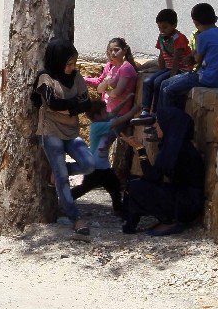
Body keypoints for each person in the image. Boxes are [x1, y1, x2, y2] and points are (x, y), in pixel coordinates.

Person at [31, 37, 96, 236]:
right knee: (62, 179)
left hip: (71, 131)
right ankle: (75, 217)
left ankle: (59, 173)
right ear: (58, 61)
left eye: (73, 63)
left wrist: (69, 107)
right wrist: (73, 105)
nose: (71, 67)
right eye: (68, 63)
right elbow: (52, 104)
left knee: (89, 164)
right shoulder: (45, 78)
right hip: (51, 131)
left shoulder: (76, 77)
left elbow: (86, 103)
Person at [119, 107, 206, 236]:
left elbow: (152, 177)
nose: (155, 125)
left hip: (187, 203)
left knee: (135, 186)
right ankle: (129, 223)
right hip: (183, 197)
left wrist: (140, 148)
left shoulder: (176, 150)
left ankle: (170, 220)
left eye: (158, 122)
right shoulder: (176, 146)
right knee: (133, 181)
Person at [158, 3, 218, 111]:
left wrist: (190, 57)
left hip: (206, 78)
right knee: (170, 83)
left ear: (195, 21)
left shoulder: (203, 36)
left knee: (166, 88)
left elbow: (197, 60)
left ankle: (168, 120)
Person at [70, 98, 136, 216]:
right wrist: (136, 109)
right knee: (86, 188)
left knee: (114, 186)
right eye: (104, 111)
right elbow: (119, 120)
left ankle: (118, 209)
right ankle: (66, 199)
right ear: (96, 116)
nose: (107, 113)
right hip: (95, 167)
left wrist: (126, 100)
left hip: (103, 166)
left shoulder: (101, 120)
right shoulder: (97, 126)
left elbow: (114, 113)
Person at [140, 9, 195, 115]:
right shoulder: (161, 38)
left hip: (180, 69)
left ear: (174, 25)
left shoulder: (178, 38)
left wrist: (172, 76)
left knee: (158, 82)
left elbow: (176, 59)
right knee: (147, 81)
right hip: (168, 68)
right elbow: (161, 56)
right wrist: (160, 72)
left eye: (165, 27)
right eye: (159, 27)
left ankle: (156, 111)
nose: (162, 30)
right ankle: (145, 109)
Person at [84, 37, 138, 117]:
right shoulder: (112, 67)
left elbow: (116, 93)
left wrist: (107, 90)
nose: (113, 53)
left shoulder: (125, 68)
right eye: (110, 50)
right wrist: (106, 83)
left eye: (116, 50)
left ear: (124, 50)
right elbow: (99, 89)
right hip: (109, 111)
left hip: (119, 113)